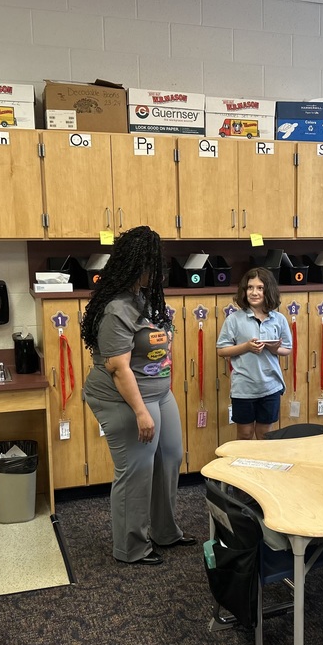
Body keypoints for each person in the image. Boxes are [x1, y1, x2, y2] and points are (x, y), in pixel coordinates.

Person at [80, 226, 192, 565]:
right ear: (133, 265)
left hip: (159, 393)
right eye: (150, 266)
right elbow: (118, 367)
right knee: (137, 470)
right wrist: (141, 413)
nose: (155, 273)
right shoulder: (116, 308)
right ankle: (131, 547)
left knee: (171, 456)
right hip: (125, 399)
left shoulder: (144, 299)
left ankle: (164, 530)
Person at [216, 268, 293, 440]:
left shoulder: (278, 319)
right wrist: (246, 347)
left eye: (260, 288)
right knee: (245, 434)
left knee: (265, 435)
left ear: (268, 291)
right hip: (244, 388)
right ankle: (242, 467)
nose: (254, 292)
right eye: (250, 288)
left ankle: (262, 467)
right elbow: (222, 350)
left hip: (270, 387)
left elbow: (287, 349)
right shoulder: (234, 320)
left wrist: (273, 348)